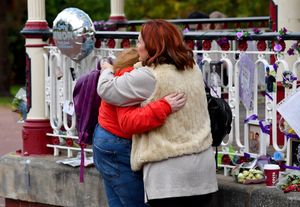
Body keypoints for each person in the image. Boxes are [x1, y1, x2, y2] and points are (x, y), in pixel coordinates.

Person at [98, 19, 218, 207]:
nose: (137, 48)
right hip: (203, 173)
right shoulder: (193, 69)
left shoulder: (148, 75)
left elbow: (106, 90)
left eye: (139, 42)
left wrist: (107, 70)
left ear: (152, 46)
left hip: (169, 178)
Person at [93, 48, 187, 207]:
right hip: (117, 145)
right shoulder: (130, 76)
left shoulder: (121, 73)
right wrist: (165, 106)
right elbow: (128, 122)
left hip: (105, 139)